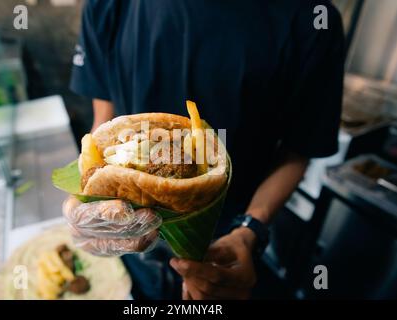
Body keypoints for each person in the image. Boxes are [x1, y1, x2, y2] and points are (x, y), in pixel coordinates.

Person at [68, 0, 344, 299]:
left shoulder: (313, 20)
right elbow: (102, 128)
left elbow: (296, 151)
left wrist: (250, 229)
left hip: (227, 242)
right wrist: (81, 204)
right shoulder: (107, 5)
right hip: (128, 234)